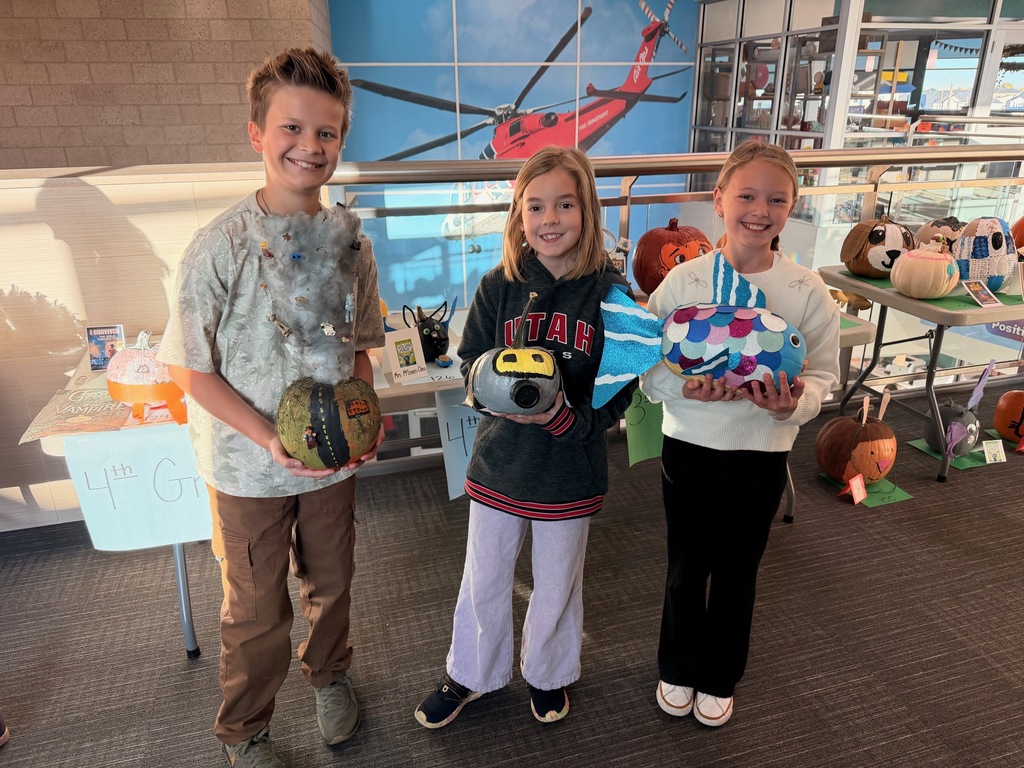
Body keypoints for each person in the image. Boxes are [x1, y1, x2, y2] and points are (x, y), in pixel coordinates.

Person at [158, 47, 385, 768]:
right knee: (255, 610)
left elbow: (361, 346)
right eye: (292, 128)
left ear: (341, 140)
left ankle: (331, 677)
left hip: (331, 461)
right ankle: (245, 729)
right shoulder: (217, 247)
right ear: (256, 133)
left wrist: (363, 414)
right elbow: (188, 367)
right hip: (245, 469)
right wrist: (266, 438)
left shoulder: (352, 243)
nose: (309, 145)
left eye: (326, 132)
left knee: (332, 584)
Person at [414, 146, 638, 728]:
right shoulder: (498, 285)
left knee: (558, 582)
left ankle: (548, 672)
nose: (549, 219)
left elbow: (620, 389)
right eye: (535, 206)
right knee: (484, 576)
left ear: (587, 210)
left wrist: (566, 419)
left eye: (565, 204)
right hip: (501, 463)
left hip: (570, 467)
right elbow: (469, 362)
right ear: (519, 215)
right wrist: (492, 388)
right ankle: (471, 672)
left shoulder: (611, 295)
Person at [640, 140, 840, 727]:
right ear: (719, 199)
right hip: (689, 444)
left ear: (792, 206)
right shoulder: (682, 282)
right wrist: (685, 389)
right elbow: (648, 367)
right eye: (747, 195)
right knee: (685, 563)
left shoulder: (807, 290)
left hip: (761, 451)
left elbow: (824, 374)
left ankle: (720, 673)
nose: (760, 210)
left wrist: (792, 407)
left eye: (776, 199)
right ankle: (676, 665)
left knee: (739, 567)